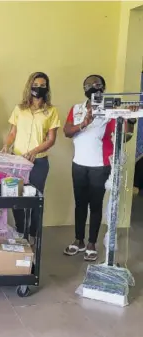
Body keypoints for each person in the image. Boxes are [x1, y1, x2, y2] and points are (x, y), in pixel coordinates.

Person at [63, 75, 137, 261]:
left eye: (98, 84)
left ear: (103, 88)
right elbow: (66, 131)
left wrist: (131, 119)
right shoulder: (77, 108)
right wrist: (83, 124)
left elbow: (125, 135)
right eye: (89, 84)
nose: (93, 87)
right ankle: (78, 240)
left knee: (95, 205)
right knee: (80, 204)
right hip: (78, 164)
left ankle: (91, 243)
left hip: (100, 166)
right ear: (84, 88)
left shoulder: (111, 111)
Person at [2, 72, 60, 244]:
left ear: (47, 88)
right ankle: (21, 232)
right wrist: (7, 145)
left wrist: (34, 151)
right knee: (16, 197)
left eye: (43, 85)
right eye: (36, 84)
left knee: (35, 198)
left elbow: (51, 140)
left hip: (39, 162)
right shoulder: (20, 109)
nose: (39, 88)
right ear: (30, 86)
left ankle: (33, 235)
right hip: (17, 161)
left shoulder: (51, 111)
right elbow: (13, 132)